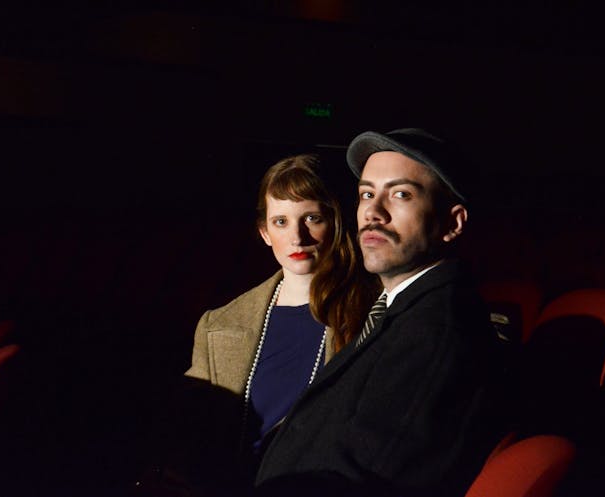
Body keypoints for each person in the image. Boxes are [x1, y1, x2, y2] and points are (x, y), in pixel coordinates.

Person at [255, 129, 507, 496]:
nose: (373, 212)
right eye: (367, 194)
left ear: (452, 224)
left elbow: (358, 483)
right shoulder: (400, 309)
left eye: (401, 194)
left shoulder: (434, 334)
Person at [153, 154, 377, 495]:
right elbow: (190, 433)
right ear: (264, 232)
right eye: (281, 222)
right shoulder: (219, 324)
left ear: (335, 222)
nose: (298, 237)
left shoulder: (376, 308)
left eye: (312, 218)